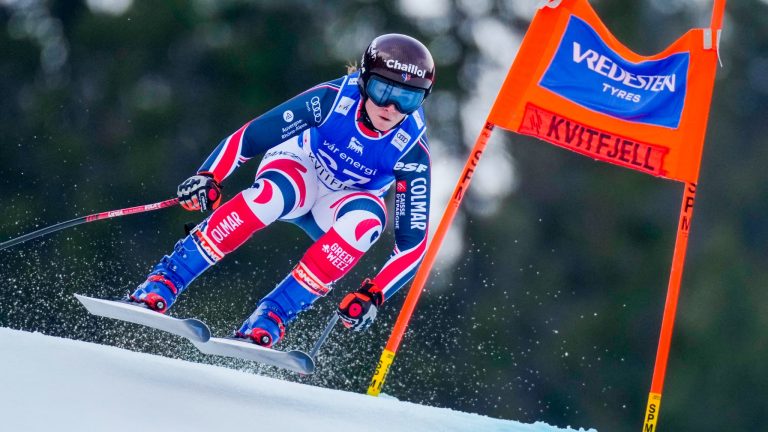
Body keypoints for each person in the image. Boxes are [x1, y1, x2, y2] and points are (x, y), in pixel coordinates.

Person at [128, 33, 435, 348]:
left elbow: (413, 246)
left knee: (366, 224)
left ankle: (272, 315)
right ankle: (165, 279)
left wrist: (375, 293)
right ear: (364, 81)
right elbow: (252, 137)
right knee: (268, 198)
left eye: (408, 98)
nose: (391, 108)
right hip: (302, 168)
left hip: (344, 201)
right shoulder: (332, 99)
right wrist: (210, 175)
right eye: (382, 91)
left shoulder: (412, 147)